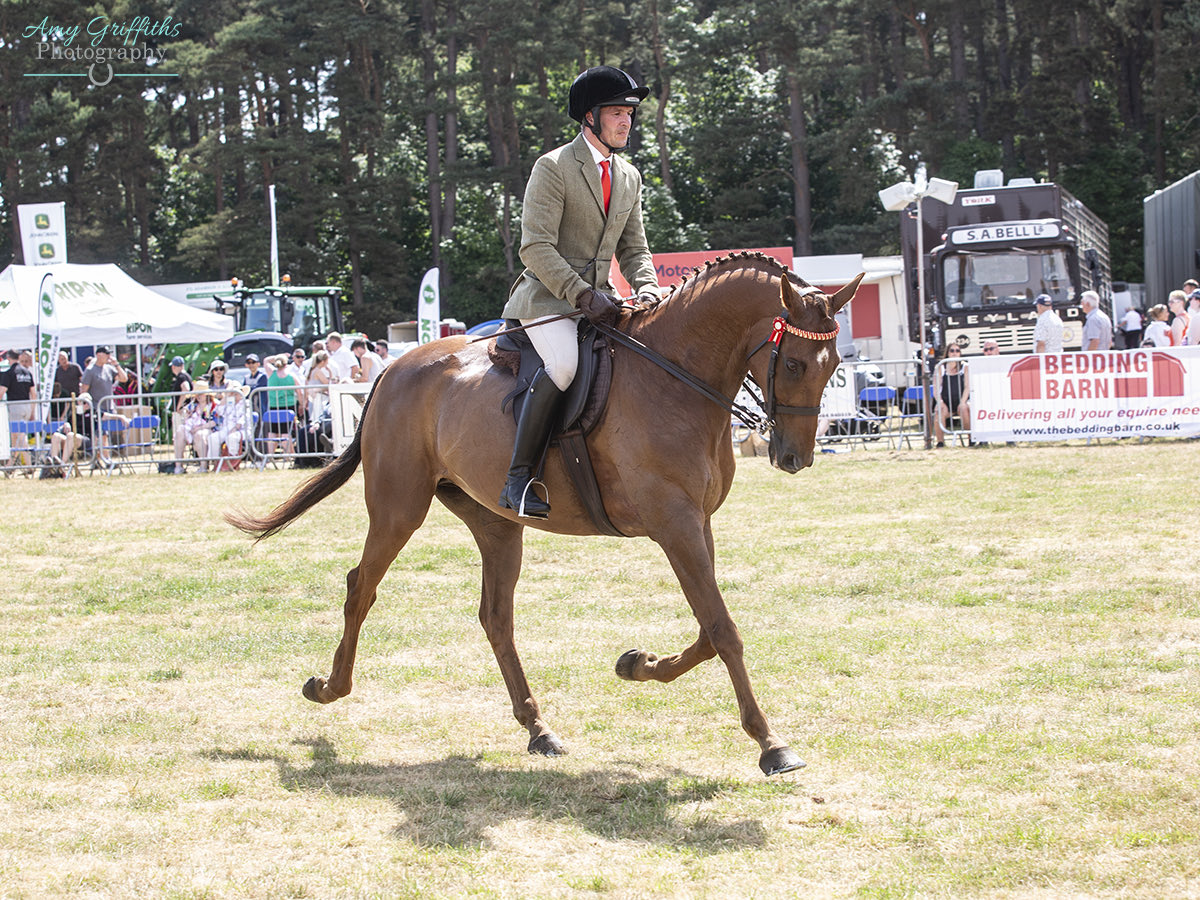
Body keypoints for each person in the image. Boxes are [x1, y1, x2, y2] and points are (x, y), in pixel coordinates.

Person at [497, 64, 661, 517]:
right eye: (615, 112)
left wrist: (648, 289)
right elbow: (535, 246)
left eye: (630, 112)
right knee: (564, 366)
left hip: (603, 302)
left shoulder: (628, 177)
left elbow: (636, 249)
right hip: (549, 299)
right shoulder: (553, 167)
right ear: (589, 117)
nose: (626, 120)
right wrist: (580, 294)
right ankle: (518, 479)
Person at [79, 346, 119, 466]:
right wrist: (84, 404)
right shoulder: (90, 370)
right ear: (98, 355)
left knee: (103, 434)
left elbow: (123, 378)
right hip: (96, 407)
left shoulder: (109, 368)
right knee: (101, 434)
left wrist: (117, 364)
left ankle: (98, 459)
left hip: (108, 406)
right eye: (106, 354)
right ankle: (103, 459)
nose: (108, 356)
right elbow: (84, 390)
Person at [0, 349, 37, 465]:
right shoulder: (26, 372)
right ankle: (10, 466)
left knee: (20, 436)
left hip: (15, 406)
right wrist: (32, 411)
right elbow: (34, 394)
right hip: (26, 405)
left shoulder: (9, 373)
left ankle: (29, 465)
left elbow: (2, 391)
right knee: (15, 437)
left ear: (9, 358)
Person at [934, 344, 970, 448]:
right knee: (938, 411)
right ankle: (940, 442)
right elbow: (936, 388)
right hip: (945, 401)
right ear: (947, 353)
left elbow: (967, 386)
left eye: (957, 350)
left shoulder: (965, 367)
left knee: (964, 409)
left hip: (961, 399)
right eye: (952, 350)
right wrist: (940, 402)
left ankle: (971, 439)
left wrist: (963, 402)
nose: (955, 353)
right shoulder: (941, 367)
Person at [207, 382, 248, 470]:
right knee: (213, 437)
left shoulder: (246, 402)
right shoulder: (229, 402)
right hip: (226, 428)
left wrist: (236, 428)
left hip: (241, 429)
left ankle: (233, 463)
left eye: (237, 392)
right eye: (233, 392)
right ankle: (215, 463)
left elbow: (245, 418)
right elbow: (218, 411)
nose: (235, 394)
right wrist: (226, 396)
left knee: (232, 438)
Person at [168, 356, 194, 474]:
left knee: (179, 438)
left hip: (181, 412)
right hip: (185, 411)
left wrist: (179, 405)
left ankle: (179, 464)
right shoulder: (187, 375)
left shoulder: (181, 377)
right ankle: (180, 464)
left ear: (174, 367)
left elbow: (186, 389)